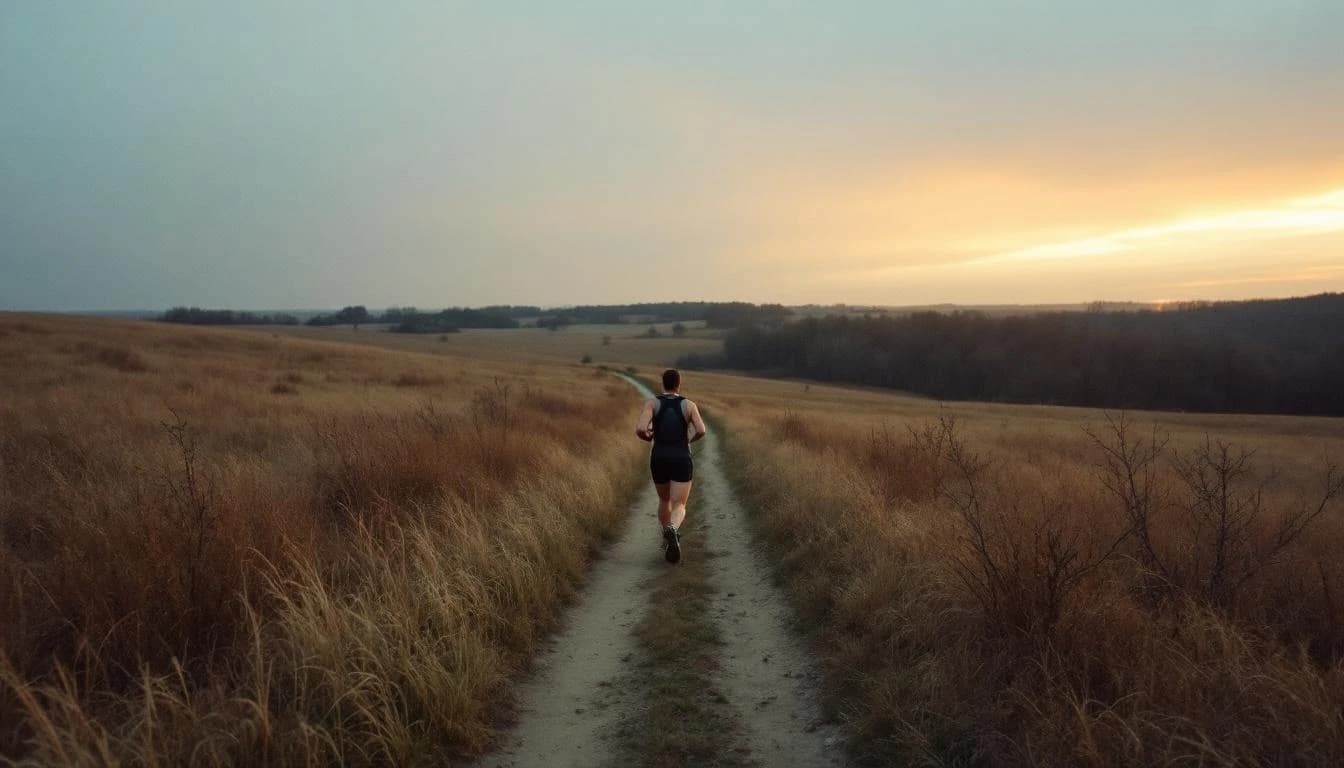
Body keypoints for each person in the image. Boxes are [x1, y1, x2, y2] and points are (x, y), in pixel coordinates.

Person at [634, 368, 707, 563]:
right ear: (679, 384)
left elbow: (640, 428)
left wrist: (648, 436)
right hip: (681, 457)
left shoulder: (652, 403)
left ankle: (668, 541)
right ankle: (673, 529)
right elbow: (701, 430)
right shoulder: (689, 405)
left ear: (663, 384)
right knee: (679, 504)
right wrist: (689, 440)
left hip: (659, 457)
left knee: (664, 500)